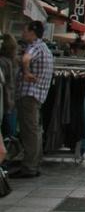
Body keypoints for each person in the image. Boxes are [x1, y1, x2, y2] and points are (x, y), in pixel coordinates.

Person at [11, 21, 54, 178]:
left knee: (29, 131)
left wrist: (27, 72)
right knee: (35, 130)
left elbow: (26, 59)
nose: (23, 33)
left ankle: (29, 167)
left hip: (29, 95)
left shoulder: (34, 47)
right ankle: (34, 164)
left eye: (25, 30)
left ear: (32, 32)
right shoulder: (45, 48)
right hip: (38, 96)